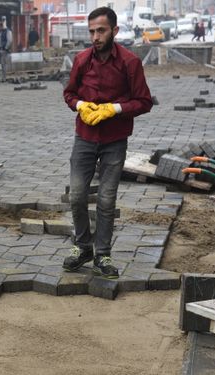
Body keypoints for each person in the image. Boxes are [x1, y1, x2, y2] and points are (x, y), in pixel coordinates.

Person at [62, 7, 153, 279]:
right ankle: (82, 247)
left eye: (100, 30)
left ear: (114, 31)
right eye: (91, 31)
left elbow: (144, 102)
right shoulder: (81, 60)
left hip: (115, 139)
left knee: (106, 199)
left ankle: (102, 254)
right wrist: (80, 105)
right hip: (85, 138)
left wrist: (114, 109)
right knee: (77, 195)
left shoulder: (129, 62)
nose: (95, 37)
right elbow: (68, 93)